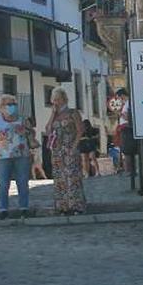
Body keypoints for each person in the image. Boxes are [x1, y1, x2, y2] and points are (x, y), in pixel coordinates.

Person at [46, 87, 86, 215]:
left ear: (64, 99)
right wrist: (52, 115)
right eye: (54, 100)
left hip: (70, 148)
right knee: (60, 178)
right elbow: (47, 130)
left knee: (72, 177)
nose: (56, 102)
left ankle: (76, 206)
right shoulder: (55, 115)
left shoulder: (73, 113)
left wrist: (74, 147)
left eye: (58, 99)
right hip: (57, 151)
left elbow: (80, 130)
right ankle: (62, 206)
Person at [116, 88, 136, 177]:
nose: (119, 99)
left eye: (119, 97)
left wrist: (120, 114)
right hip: (124, 128)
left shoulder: (128, 103)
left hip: (127, 129)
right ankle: (130, 170)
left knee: (127, 150)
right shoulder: (126, 104)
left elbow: (128, 117)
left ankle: (130, 170)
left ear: (122, 96)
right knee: (126, 150)